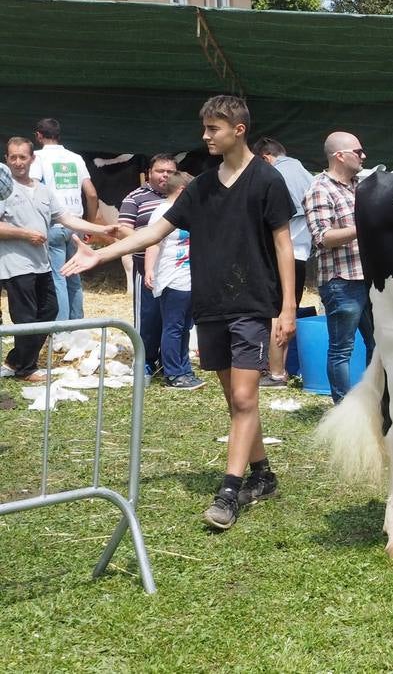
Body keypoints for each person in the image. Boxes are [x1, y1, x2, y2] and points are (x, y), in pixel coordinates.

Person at [64, 95, 296, 530]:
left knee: (244, 399)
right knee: (235, 401)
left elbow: (284, 245)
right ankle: (263, 475)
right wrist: (102, 254)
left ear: (238, 130)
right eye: (205, 127)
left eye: (213, 128)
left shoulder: (267, 179)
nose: (205, 136)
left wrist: (287, 309)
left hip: (251, 304)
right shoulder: (202, 186)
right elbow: (155, 231)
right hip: (210, 305)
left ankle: (229, 492)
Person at [0, 138, 111, 381]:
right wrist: (25, 234)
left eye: (23, 157)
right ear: (6, 160)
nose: (18, 162)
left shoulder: (42, 189)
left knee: (50, 310)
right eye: (13, 157)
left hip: (42, 263)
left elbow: (66, 218)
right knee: (25, 318)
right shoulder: (3, 190)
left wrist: (101, 229)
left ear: (33, 159)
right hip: (16, 265)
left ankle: (15, 360)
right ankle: (26, 369)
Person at [303, 132, 374, 405]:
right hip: (341, 282)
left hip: (368, 278)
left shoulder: (360, 186)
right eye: (358, 151)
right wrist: (364, 227)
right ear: (340, 156)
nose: (363, 156)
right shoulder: (319, 189)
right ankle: (344, 409)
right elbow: (322, 237)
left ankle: (378, 404)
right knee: (342, 350)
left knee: (379, 345)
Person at [255, 137, 315, 388]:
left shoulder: (275, 175)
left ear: (265, 158)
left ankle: (276, 373)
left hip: (281, 255)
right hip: (301, 254)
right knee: (286, 312)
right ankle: (278, 370)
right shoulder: (307, 174)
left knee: (275, 314)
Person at [118, 154, 180, 380]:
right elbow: (123, 228)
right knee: (148, 316)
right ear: (149, 173)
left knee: (173, 317)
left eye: (170, 172)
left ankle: (169, 362)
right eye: (160, 171)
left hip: (176, 266)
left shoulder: (182, 197)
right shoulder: (135, 197)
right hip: (145, 264)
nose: (165, 175)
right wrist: (148, 239)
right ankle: (144, 361)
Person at [32, 117, 99, 322]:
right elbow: (92, 194)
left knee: (58, 277)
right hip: (75, 223)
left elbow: (32, 190)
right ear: (58, 135)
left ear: (38, 136)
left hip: (53, 223)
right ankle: (77, 323)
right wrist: (90, 225)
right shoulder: (75, 158)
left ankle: (61, 328)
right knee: (74, 276)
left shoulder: (37, 158)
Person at [143, 172, 204, 391]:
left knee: (185, 327)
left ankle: (184, 369)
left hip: (190, 279)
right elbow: (153, 241)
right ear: (182, 191)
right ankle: (172, 373)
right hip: (172, 279)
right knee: (174, 327)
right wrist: (149, 269)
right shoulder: (162, 212)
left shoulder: (190, 210)